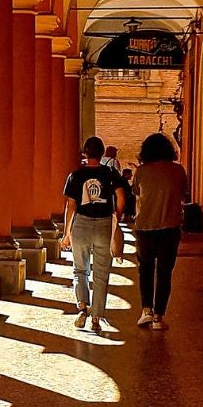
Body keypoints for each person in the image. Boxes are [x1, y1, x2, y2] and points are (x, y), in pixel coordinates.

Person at [62, 136, 125, 332]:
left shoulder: (75, 175)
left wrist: (66, 234)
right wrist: (118, 215)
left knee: (80, 270)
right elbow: (121, 195)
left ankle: (82, 307)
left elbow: (70, 206)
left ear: (84, 153)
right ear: (102, 152)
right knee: (101, 274)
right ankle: (96, 317)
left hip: (81, 225)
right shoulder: (111, 173)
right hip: (104, 225)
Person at [129, 132, 190, 330]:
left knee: (145, 270)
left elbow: (137, 194)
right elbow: (184, 195)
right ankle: (159, 317)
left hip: (145, 227)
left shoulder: (141, 172)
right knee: (164, 273)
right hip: (170, 228)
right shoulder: (178, 171)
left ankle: (146, 311)